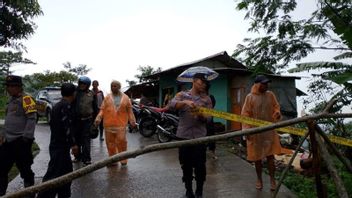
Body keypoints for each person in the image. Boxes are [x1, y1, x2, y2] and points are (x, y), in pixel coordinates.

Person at [169, 73, 212, 198]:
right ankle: (188, 191)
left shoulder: (207, 99)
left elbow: (209, 119)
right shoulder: (181, 94)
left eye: (205, 83)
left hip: (200, 137)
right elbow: (171, 105)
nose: (203, 84)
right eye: (201, 81)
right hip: (183, 137)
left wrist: (200, 114)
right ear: (194, 81)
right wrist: (185, 102)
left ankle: (199, 191)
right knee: (186, 165)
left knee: (200, 166)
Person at [241, 75, 283, 191]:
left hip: (269, 131)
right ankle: (259, 179)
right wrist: (247, 130)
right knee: (257, 158)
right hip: (256, 133)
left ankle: (272, 180)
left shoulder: (270, 95)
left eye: (267, 84)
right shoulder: (250, 98)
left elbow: (276, 106)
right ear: (257, 84)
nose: (266, 86)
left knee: (270, 157)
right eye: (263, 84)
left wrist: (277, 113)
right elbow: (245, 115)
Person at [37, 83, 78, 198]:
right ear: (73, 93)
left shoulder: (57, 105)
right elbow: (67, 127)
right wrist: (73, 144)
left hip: (57, 144)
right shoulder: (66, 106)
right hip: (60, 146)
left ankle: (64, 194)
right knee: (53, 174)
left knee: (66, 173)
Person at [0, 75, 37, 197]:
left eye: (11, 86)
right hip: (8, 142)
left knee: (25, 169)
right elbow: (8, 120)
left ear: (18, 87)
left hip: (21, 141)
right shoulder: (10, 100)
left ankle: (30, 191)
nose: (9, 89)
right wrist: (3, 135)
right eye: (8, 86)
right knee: (2, 168)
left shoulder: (26, 99)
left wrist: (26, 138)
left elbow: (32, 119)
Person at [94, 80, 136, 166]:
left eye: (115, 86)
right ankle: (113, 160)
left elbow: (130, 111)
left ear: (119, 87)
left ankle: (123, 159)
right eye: (112, 86)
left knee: (122, 142)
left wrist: (132, 120)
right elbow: (102, 109)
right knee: (110, 144)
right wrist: (98, 117)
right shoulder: (107, 98)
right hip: (108, 125)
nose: (113, 88)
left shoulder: (126, 98)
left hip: (121, 125)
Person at [73, 76, 98, 165]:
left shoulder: (92, 94)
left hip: (87, 120)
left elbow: (95, 108)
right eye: (81, 83)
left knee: (86, 140)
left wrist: (95, 122)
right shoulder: (75, 93)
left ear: (87, 85)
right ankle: (77, 157)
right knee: (77, 139)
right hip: (76, 121)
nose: (82, 85)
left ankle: (87, 158)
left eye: (84, 84)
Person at [205, 83, 217, 160]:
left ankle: (213, 153)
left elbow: (212, 106)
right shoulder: (197, 98)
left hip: (209, 122)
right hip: (200, 123)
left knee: (211, 137)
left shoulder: (211, 97)